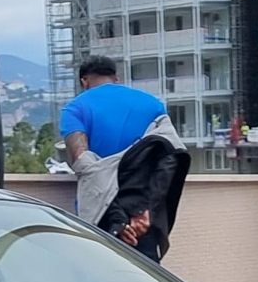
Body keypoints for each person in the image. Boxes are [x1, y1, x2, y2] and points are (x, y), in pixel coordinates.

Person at [59, 57, 186, 260]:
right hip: (144, 216)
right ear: (116, 78)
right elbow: (169, 158)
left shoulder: (75, 109)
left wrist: (117, 221)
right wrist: (144, 212)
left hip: (102, 216)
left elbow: (84, 164)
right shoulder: (154, 106)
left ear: (85, 81)